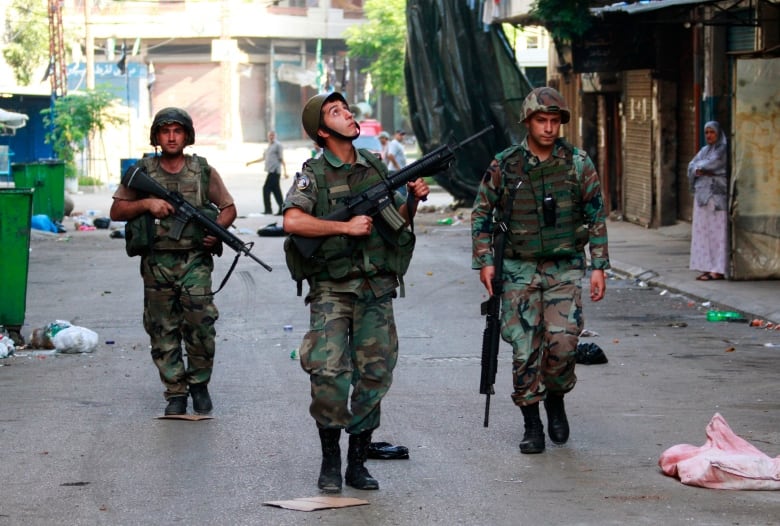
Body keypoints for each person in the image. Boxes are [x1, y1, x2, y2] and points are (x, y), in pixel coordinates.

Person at [282, 92, 429, 492]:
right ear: (322, 131)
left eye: (346, 109)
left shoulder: (376, 167)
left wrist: (413, 202)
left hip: (375, 288)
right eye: (336, 112)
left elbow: (396, 222)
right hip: (332, 287)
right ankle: (330, 460)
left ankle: (357, 463)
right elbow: (293, 221)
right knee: (329, 374)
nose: (347, 114)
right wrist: (344, 227)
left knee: (375, 374)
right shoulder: (312, 174)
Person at [471, 87, 610, 454]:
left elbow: (596, 214)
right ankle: (531, 423)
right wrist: (485, 261)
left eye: (554, 122)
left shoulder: (578, 163)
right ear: (528, 122)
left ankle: (556, 399)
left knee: (562, 346)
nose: (548, 129)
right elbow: (482, 214)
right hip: (517, 268)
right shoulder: (506, 164)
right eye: (541, 121)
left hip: (564, 268)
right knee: (524, 349)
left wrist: (599, 266)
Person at [109, 107, 237, 416]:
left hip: (195, 261)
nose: (171, 136)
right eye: (165, 131)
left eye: (177, 131)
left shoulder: (203, 171)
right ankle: (176, 392)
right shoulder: (143, 172)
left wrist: (216, 234)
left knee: (201, 325)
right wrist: (146, 203)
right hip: (157, 263)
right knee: (162, 329)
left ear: (187, 136)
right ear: (156, 136)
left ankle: (199, 384)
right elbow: (116, 211)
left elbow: (228, 208)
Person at [688, 121, 728, 281]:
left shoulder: (723, 150)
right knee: (703, 234)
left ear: (718, 134)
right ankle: (706, 266)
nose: (709, 136)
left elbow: (712, 165)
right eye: (707, 132)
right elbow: (692, 166)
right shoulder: (704, 150)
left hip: (717, 198)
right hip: (702, 197)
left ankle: (718, 269)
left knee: (718, 235)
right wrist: (699, 169)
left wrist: (701, 169)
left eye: (712, 132)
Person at [246, 130, 287, 215]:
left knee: (266, 188)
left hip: (275, 171)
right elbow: (263, 158)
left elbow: (281, 159)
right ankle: (280, 209)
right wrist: (251, 162)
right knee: (276, 190)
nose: (271, 137)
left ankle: (269, 209)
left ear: (275, 136)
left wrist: (285, 172)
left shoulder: (278, 145)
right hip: (270, 171)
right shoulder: (268, 146)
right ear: (268, 136)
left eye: (272, 135)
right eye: (270, 135)